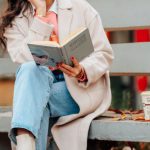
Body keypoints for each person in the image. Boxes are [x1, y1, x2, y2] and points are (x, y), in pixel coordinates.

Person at [0, 0, 114, 149]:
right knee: (30, 71)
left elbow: (104, 53)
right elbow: (26, 59)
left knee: (34, 101)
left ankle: (25, 144)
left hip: (79, 87)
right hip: (38, 82)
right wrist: (40, 13)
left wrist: (82, 71)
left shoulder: (80, 7)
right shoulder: (16, 18)